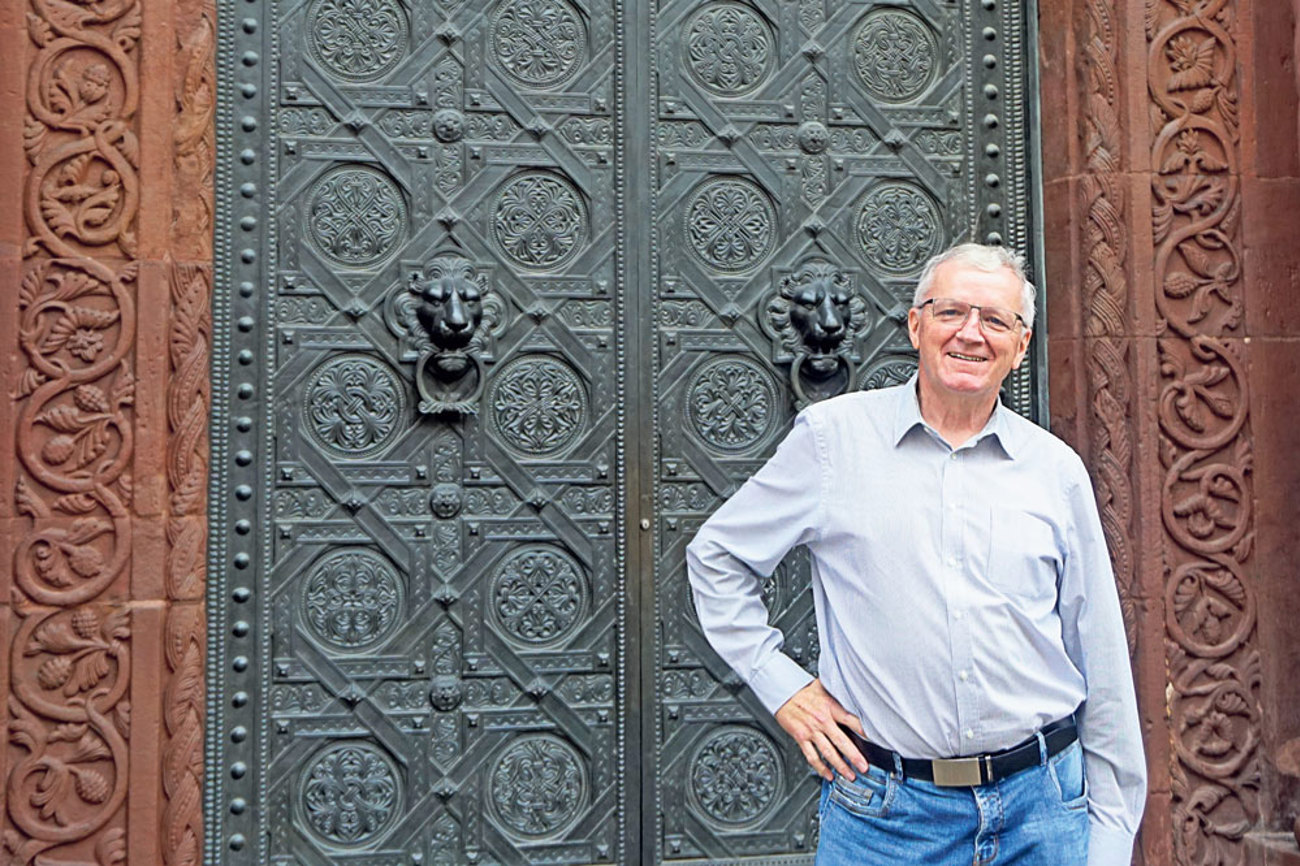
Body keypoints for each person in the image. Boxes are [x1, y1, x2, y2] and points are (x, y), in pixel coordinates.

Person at [686, 243, 1146, 865]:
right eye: (951, 312)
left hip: (1045, 814)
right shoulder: (832, 441)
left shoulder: (1054, 471)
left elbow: (1100, 653)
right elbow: (718, 558)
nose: (971, 334)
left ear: (1021, 344)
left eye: (995, 320)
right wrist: (783, 686)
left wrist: (1112, 836)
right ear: (915, 324)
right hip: (888, 821)